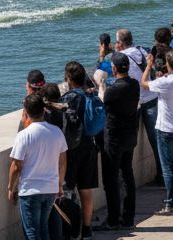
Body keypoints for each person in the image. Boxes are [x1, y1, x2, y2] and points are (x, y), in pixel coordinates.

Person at [9, 93, 68, 240]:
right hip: (50, 189)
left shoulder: (24, 135)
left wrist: (11, 187)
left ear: (26, 112)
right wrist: (59, 185)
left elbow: (16, 166)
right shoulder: (57, 132)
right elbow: (62, 162)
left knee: (32, 232)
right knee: (43, 228)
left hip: (30, 190)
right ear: (43, 111)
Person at [143, 48, 173, 215]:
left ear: (168, 65)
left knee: (168, 168)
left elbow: (144, 84)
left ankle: (171, 203)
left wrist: (149, 66)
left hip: (166, 129)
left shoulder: (165, 82)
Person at [96, 53, 138, 231]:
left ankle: (113, 220)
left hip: (114, 139)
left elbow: (103, 99)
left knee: (111, 179)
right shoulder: (134, 84)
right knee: (127, 175)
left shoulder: (114, 90)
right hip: (130, 136)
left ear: (114, 68)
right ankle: (128, 217)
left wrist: (100, 83)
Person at [113, 29, 160, 184]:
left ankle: (128, 178)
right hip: (152, 97)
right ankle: (162, 175)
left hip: (136, 103)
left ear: (120, 43)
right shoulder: (141, 49)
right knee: (156, 140)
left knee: (129, 142)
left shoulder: (121, 58)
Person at [58, 63, 98, 236]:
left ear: (68, 79)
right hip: (90, 146)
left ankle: (71, 229)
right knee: (86, 190)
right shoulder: (91, 95)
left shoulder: (68, 98)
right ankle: (87, 229)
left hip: (72, 149)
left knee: (68, 190)